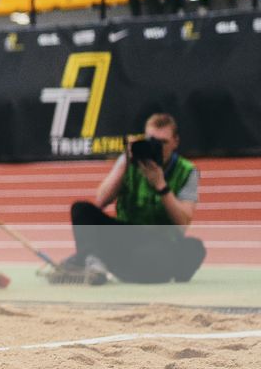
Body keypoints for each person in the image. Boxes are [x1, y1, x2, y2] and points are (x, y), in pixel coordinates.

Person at [57, 113, 204, 283]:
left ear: (175, 141)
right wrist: (126, 162)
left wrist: (161, 186)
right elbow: (101, 201)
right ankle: (93, 260)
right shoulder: (129, 160)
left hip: (160, 239)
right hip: (126, 233)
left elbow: (182, 223)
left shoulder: (187, 171)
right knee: (81, 209)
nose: (157, 147)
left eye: (163, 142)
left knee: (193, 248)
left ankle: (102, 261)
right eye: (151, 141)